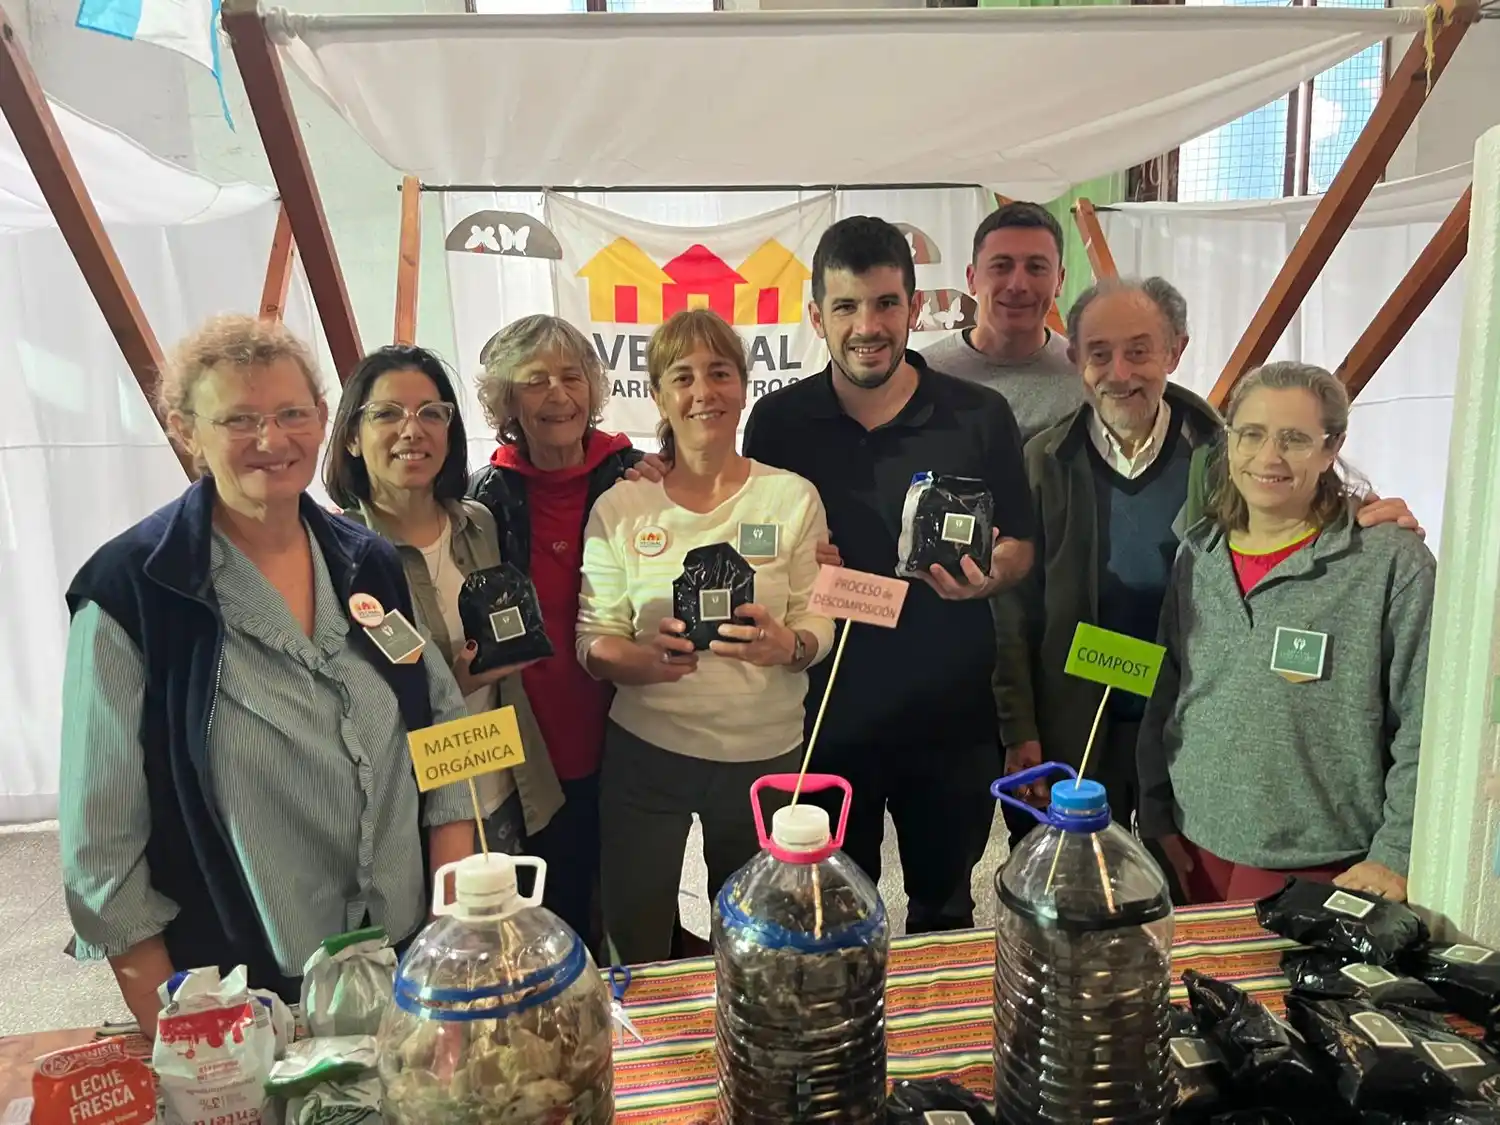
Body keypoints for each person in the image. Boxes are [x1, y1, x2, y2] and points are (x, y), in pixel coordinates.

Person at [58, 316, 474, 1033]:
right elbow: (102, 850)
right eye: (239, 419)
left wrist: (451, 932)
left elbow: (443, 728)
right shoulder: (137, 591)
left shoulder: (366, 560)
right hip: (240, 998)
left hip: (406, 966)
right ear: (187, 430)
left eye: (289, 414)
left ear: (321, 418)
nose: (272, 440)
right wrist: (185, 1032)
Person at [992, 278, 1423, 864]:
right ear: (1075, 360)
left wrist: (1357, 509)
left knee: (1176, 883)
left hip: (1198, 723)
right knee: (1074, 880)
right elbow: (1012, 606)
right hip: (1080, 716)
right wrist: (1019, 726)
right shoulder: (1041, 461)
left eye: (1140, 350)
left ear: (1176, 350)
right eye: (1099, 353)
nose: (1119, 372)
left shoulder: (1228, 456)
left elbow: (1291, 500)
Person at [744, 216, 1035, 933]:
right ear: (817, 315)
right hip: (821, 713)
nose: (866, 325)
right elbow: (747, 537)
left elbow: (1022, 544)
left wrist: (988, 576)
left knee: (944, 905)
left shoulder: (979, 416)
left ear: (914, 307)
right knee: (828, 909)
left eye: (884, 303)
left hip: (949, 719)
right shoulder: (777, 423)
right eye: (845, 306)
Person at [576, 309, 835, 964]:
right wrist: (640, 660)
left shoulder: (792, 497)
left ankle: (745, 1056)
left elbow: (816, 617)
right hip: (648, 751)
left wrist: (791, 645)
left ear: (744, 386)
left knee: (758, 939)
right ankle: (650, 1062)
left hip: (764, 748)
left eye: (720, 372)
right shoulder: (621, 507)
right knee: (634, 937)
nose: (703, 392)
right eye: (683, 376)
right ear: (659, 394)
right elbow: (593, 638)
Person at [1137, 362, 1433, 903]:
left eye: (1294, 439)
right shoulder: (1198, 557)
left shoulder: (1388, 563)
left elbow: (1428, 723)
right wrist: (1157, 812)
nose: (1268, 458)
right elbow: (1168, 693)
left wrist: (1397, 853)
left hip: (1322, 860)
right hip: (1197, 841)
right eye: (1251, 434)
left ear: (1331, 447)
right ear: (1229, 441)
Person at [326, 344, 565, 857]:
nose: (412, 430)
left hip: (507, 789)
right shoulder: (335, 556)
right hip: (415, 816)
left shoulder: (479, 523)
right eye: (387, 413)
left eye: (431, 413)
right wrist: (449, 684)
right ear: (350, 436)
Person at [467, 314, 647, 947]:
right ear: (506, 400)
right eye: (534, 381)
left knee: (631, 890)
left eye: (572, 377)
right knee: (550, 901)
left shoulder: (638, 477)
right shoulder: (481, 499)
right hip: (527, 733)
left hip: (630, 720)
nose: (557, 395)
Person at [921, 202, 1084, 442]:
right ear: (971, 278)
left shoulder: (1085, 379)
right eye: (1001, 266)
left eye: (1036, 268)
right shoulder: (921, 376)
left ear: (1059, 281)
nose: (1017, 285)